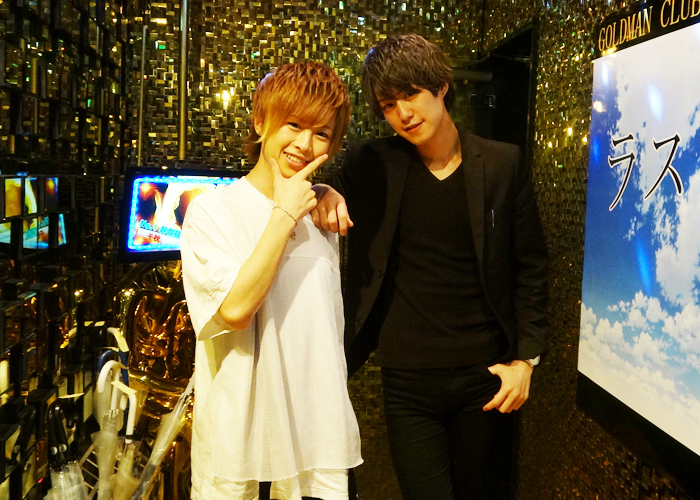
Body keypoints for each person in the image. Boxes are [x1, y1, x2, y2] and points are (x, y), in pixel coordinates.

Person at [312, 34, 548, 500]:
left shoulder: (502, 163)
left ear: (441, 86)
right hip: (408, 379)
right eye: (388, 105)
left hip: (485, 375)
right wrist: (323, 191)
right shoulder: (372, 162)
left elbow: (531, 265)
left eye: (411, 94)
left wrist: (526, 359)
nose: (403, 113)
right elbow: (314, 189)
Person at [180, 61, 362, 500]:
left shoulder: (322, 217)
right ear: (261, 122)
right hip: (240, 447)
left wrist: (314, 199)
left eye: (321, 133)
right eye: (294, 125)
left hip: (315, 441)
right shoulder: (212, 212)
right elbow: (234, 311)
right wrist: (284, 214)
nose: (304, 144)